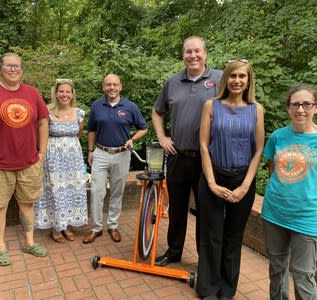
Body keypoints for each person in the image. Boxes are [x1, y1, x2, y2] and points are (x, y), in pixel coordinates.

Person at [261, 84, 317, 300]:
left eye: (306, 104)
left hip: (308, 218)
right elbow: (272, 168)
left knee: (303, 276)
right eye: (295, 104)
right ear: (288, 108)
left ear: (316, 107)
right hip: (274, 213)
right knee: (277, 269)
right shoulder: (278, 136)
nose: (300, 110)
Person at [0, 52, 49, 266]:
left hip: (29, 162)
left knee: (27, 204)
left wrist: (41, 153)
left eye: (17, 66)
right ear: (0, 68)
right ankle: (0, 247)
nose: (13, 70)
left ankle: (29, 242)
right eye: (8, 66)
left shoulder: (31, 93)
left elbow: (43, 122)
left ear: (22, 70)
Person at [196, 59, 264, 300]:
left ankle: (227, 289)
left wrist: (245, 185)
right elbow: (204, 145)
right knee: (210, 234)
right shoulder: (211, 106)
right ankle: (208, 288)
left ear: (248, 81)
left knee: (233, 236)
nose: (237, 81)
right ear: (226, 79)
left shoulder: (256, 110)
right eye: (233, 76)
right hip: (213, 176)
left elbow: (258, 150)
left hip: (242, 180)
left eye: (242, 76)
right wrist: (212, 183)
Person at [152, 36, 222, 267]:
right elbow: (157, 112)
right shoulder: (172, 82)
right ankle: (174, 252)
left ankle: (205, 259)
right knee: (177, 209)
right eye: (188, 52)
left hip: (207, 161)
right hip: (177, 157)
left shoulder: (220, 80)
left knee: (205, 211)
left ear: (206, 54)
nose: (193, 55)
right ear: (183, 55)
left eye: (197, 51)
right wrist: (162, 137)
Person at [82, 74, 148, 244]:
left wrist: (132, 139)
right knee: (97, 192)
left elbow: (144, 128)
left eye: (115, 85)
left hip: (122, 154)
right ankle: (96, 228)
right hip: (101, 153)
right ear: (103, 87)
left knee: (117, 191)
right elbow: (91, 130)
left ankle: (112, 225)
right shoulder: (97, 106)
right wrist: (90, 151)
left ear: (121, 87)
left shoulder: (130, 106)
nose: (112, 87)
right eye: (108, 85)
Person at [34, 79, 88, 243]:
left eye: (68, 92)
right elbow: (39, 135)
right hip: (53, 157)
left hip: (73, 158)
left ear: (72, 94)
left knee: (72, 190)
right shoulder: (46, 111)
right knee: (55, 190)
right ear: (56, 93)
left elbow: (79, 133)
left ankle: (67, 225)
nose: (64, 95)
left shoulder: (79, 113)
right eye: (61, 91)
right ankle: (56, 227)